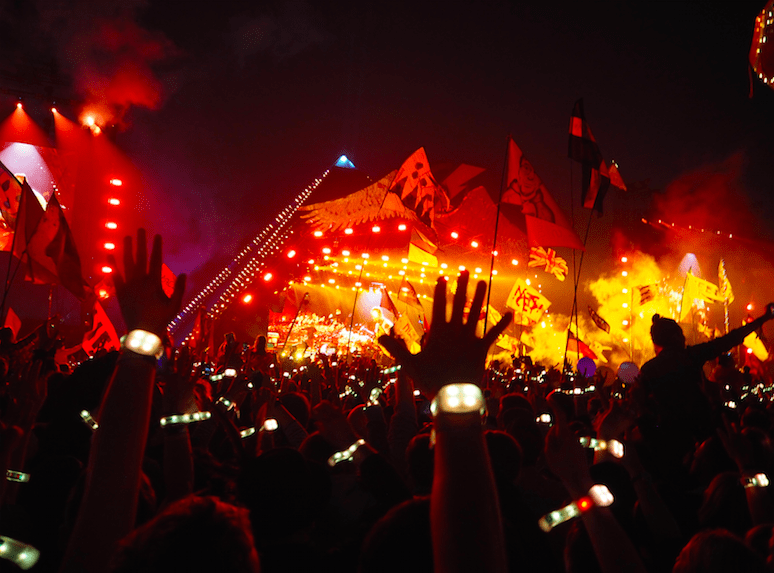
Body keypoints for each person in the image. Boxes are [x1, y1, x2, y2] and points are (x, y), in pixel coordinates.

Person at [636, 306, 774, 461]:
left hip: (668, 444)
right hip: (703, 433)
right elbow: (731, 338)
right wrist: (764, 318)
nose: (684, 339)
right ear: (675, 337)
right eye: (681, 335)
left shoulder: (647, 370)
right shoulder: (690, 356)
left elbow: (641, 407)